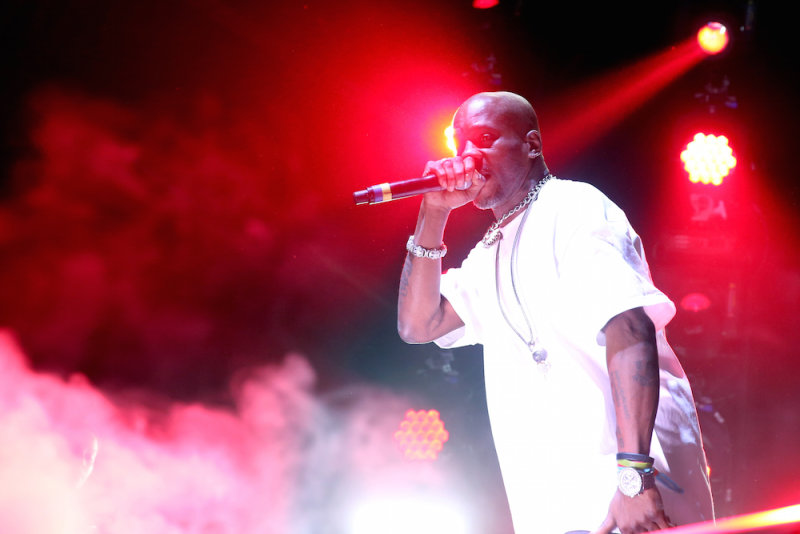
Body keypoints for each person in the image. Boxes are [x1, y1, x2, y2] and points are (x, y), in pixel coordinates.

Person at [397, 91, 714, 533]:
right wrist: (432, 212)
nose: (469, 156)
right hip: (557, 506)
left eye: (485, 138)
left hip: (632, 490)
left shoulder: (575, 207)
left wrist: (634, 476)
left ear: (531, 145)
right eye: (460, 144)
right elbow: (418, 324)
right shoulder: (489, 252)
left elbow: (630, 328)